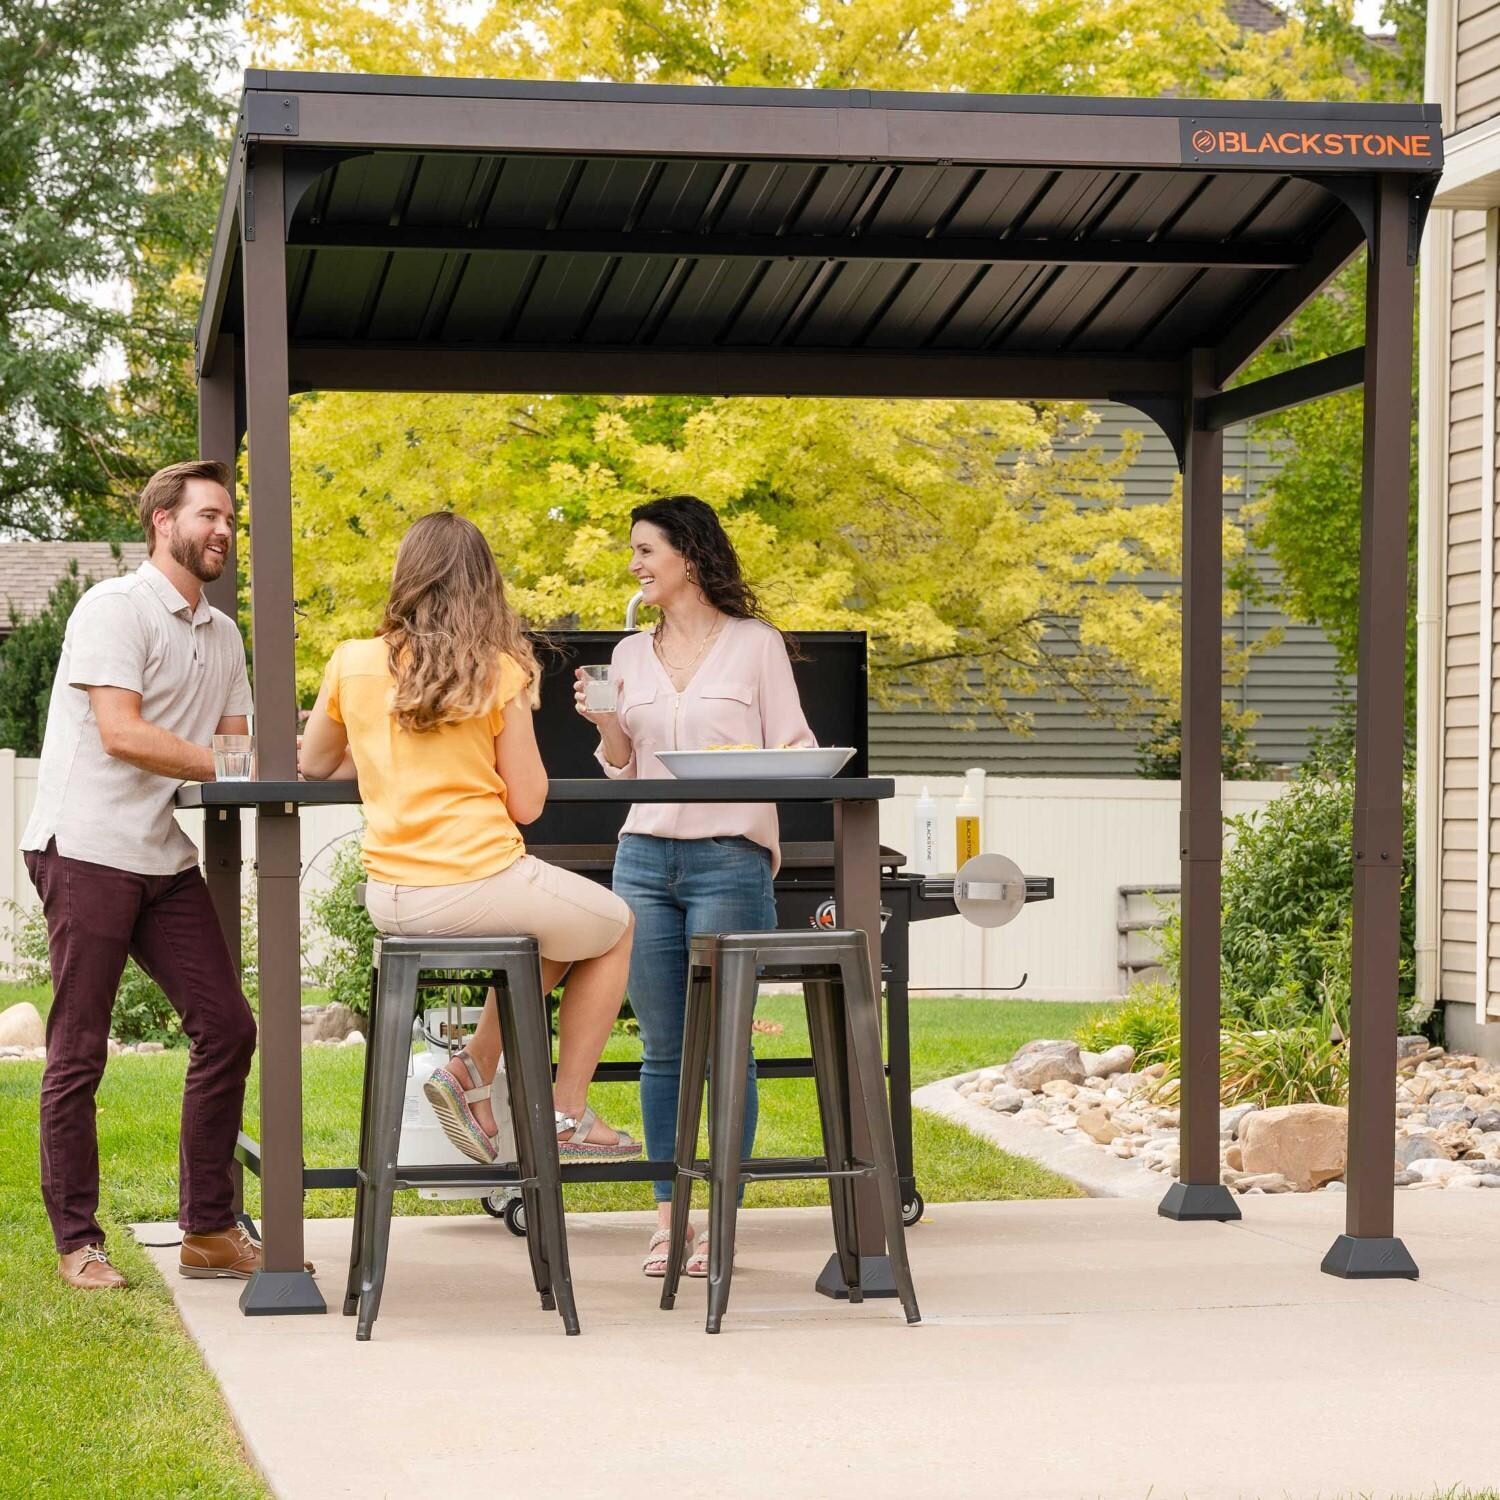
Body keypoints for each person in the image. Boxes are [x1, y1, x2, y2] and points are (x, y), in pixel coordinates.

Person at [299, 511, 638, 1166]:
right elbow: (528, 803)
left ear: (405, 576)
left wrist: (380, 752)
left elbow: (315, 762)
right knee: (616, 926)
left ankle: (472, 1070)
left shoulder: (352, 661)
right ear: (484, 587)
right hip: (475, 880)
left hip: (391, 896)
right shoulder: (498, 670)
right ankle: (566, 1112)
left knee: (559, 929)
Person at [21, 459, 266, 1291]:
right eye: (208, 516)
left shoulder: (223, 635)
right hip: (85, 846)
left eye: (230, 519)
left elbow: (236, 748)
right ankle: (78, 1244)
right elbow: (121, 732)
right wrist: (234, 765)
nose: (224, 531)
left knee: (228, 1027)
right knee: (80, 1048)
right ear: (164, 522)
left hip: (159, 855)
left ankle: (208, 1230)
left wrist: (276, 759)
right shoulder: (113, 608)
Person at [576, 495, 815, 1278]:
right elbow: (624, 768)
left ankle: (720, 1219)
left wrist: (749, 762)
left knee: (726, 1048)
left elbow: (797, 746)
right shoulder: (628, 655)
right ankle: (667, 1219)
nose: (635, 564)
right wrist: (605, 725)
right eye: (634, 551)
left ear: (689, 554)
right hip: (644, 859)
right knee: (664, 1049)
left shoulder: (755, 645)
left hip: (729, 859)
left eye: (646, 550)